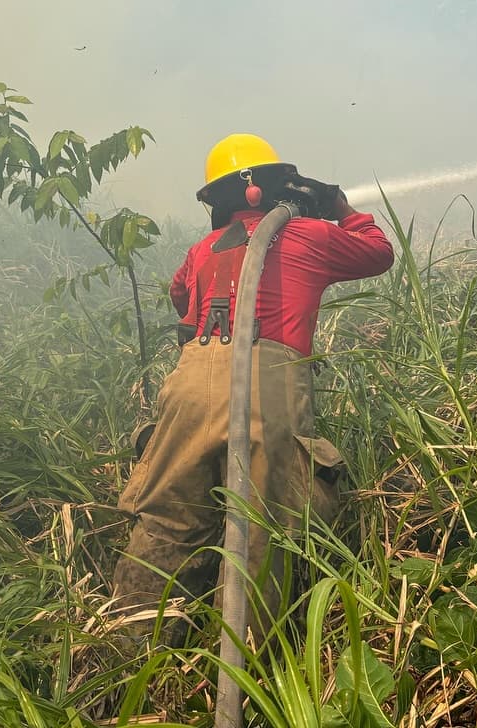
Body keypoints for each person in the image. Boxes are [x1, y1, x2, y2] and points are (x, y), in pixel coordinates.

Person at [111, 133, 394, 638]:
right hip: (270, 383)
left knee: (167, 520)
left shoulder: (201, 249)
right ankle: (249, 672)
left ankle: (125, 660)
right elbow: (378, 253)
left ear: (220, 200)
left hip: (191, 381)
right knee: (260, 533)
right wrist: (339, 206)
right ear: (267, 189)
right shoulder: (310, 234)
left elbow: (180, 296)